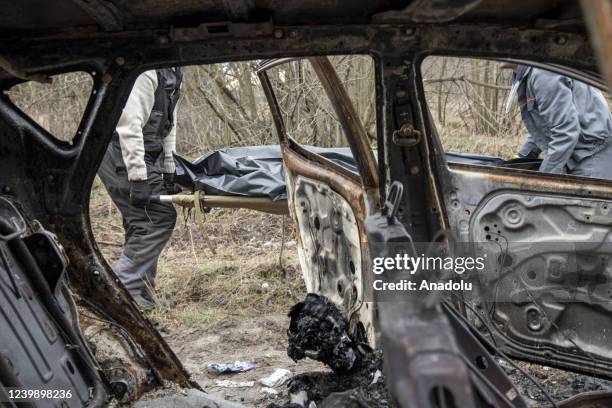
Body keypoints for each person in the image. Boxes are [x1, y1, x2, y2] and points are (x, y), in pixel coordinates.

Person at [98, 68, 183, 309]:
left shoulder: (175, 73)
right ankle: (125, 296)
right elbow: (129, 124)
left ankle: (143, 295)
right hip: (121, 151)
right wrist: (137, 178)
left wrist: (169, 168)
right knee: (157, 217)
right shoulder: (148, 73)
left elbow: (170, 125)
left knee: (141, 221)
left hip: (146, 154)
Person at [508, 64, 612, 178]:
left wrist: (545, 178)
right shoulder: (530, 73)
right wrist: (523, 156)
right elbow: (548, 124)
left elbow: (566, 130)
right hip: (580, 153)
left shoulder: (543, 73)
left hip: (593, 155)